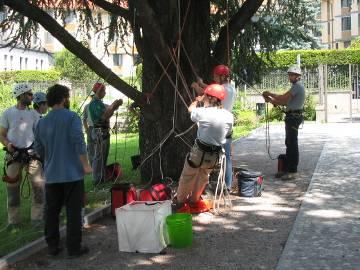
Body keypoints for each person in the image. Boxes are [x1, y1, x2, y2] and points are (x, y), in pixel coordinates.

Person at [34, 84, 92, 258]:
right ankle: (74, 248)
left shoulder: (41, 122)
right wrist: (86, 164)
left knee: (52, 211)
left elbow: (39, 149)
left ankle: (53, 246)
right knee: (73, 211)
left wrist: (49, 161)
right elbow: (78, 141)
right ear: (63, 98)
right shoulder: (72, 117)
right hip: (72, 174)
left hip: (52, 174)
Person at [176, 84, 233, 213]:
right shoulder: (229, 116)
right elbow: (228, 135)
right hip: (214, 156)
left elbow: (190, 110)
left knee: (188, 175)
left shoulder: (203, 112)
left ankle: (180, 202)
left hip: (199, 152)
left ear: (208, 97)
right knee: (203, 176)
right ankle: (194, 200)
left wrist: (197, 100)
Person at [0, 83, 44, 229]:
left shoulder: (33, 114)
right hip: (14, 155)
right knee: (12, 189)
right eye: (30, 94)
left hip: (32, 155)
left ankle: (36, 219)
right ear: (21, 95)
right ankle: (13, 222)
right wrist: (8, 145)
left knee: (38, 187)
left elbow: (39, 133)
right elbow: (2, 134)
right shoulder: (8, 113)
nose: (32, 97)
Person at [191, 65, 236, 190]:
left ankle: (204, 183)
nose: (214, 78)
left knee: (207, 153)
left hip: (216, 124)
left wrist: (197, 86)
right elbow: (213, 89)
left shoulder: (221, 89)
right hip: (226, 124)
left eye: (216, 76)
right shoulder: (231, 88)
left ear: (222, 76)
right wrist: (202, 83)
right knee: (227, 156)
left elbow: (207, 94)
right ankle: (228, 184)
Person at [262, 65, 305, 180]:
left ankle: (293, 171)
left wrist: (269, 94)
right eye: (289, 75)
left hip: (293, 118)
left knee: (292, 144)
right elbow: (284, 102)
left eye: (292, 75)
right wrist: (271, 100)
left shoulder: (297, 87)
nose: (289, 77)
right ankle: (288, 168)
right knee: (289, 143)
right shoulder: (295, 87)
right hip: (292, 117)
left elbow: (283, 98)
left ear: (297, 76)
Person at [88, 83, 123, 185]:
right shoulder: (95, 104)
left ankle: (102, 177)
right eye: (104, 90)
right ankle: (96, 179)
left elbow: (107, 115)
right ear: (99, 91)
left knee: (103, 156)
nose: (105, 93)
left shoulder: (99, 103)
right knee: (99, 157)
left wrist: (113, 107)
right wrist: (113, 106)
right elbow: (104, 117)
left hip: (102, 131)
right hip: (99, 132)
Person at [82, 92, 95, 165]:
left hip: (99, 128)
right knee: (90, 148)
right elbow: (84, 119)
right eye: (92, 96)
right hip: (91, 128)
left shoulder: (101, 105)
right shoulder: (87, 106)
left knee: (99, 148)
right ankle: (92, 164)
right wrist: (87, 129)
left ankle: (98, 165)